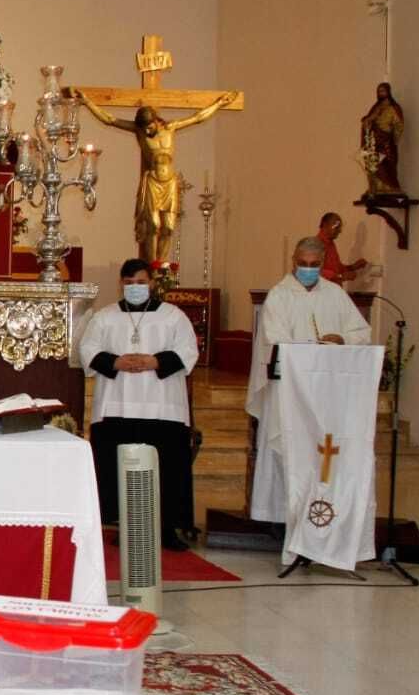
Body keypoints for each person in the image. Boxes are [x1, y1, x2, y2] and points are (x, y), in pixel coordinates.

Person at [247, 237, 372, 521]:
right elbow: (274, 338)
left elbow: (362, 332)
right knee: (286, 447)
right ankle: (280, 515)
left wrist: (342, 338)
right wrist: (313, 349)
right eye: (302, 264)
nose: (307, 269)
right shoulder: (280, 295)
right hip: (288, 388)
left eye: (314, 265)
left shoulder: (335, 295)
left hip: (327, 389)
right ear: (294, 261)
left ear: (323, 263)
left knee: (321, 450)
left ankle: (319, 512)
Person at [79, 258, 199, 551]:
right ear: (121, 284)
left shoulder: (173, 316)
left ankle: (167, 527)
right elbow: (88, 349)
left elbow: (188, 350)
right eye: (130, 283)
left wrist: (154, 361)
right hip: (117, 405)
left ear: (152, 283)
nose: (135, 288)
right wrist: (117, 361)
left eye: (141, 282)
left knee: (167, 467)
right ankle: (125, 524)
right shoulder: (105, 317)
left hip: (163, 406)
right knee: (117, 468)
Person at [78, 90, 236, 265]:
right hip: (153, 182)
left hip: (169, 182)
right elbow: (108, 119)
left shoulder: (171, 128)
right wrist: (87, 101)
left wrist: (219, 104)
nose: (147, 130)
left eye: (149, 126)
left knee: (168, 227)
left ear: (155, 121)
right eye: (144, 127)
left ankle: (161, 267)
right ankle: (152, 267)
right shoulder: (139, 131)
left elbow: (198, 117)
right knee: (153, 226)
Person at [317, 212, 368, 284]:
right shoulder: (315, 244)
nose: (340, 231)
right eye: (336, 227)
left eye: (340, 227)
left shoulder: (331, 244)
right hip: (323, 292)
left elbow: (337, 268)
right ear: (325, 225)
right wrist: (340, 276)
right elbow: (315, 271)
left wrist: (353, 267)